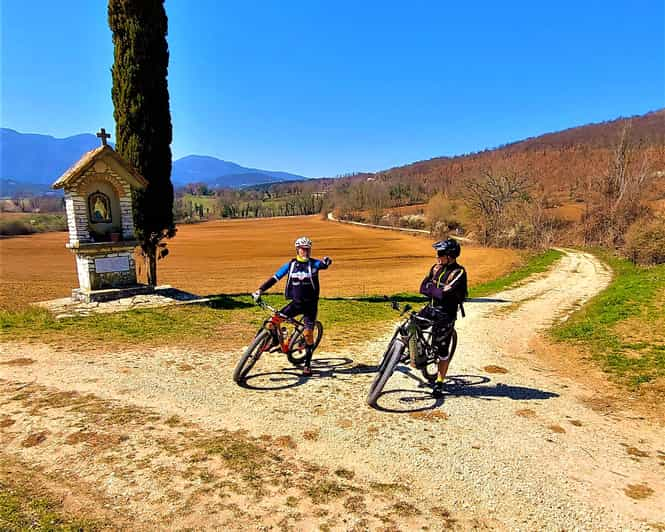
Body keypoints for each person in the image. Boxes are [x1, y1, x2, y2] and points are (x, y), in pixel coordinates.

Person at [252, 236, 332, 376]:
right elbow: (274, 278)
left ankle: (307, 364)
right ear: (297, 249)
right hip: (295, 304)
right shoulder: (290, 265)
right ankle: (275, 340)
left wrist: (326, 262)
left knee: (308, 334)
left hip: (310, 306)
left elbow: (323, 265)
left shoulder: (314, 264)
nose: (305, 251)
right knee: (271, 323)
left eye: (307, 249)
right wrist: (260, 290)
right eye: (302, 249)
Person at [418, 238, 467, 395]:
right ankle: (414, 354)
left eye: (440, 253)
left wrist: (433, 289)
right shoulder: (435, 268)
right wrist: (436, 290)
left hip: (446, 314)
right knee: (411, 327)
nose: (437, 256)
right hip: (431, 308)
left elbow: (445, 293)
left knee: (442, 350)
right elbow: (423, 287)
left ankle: (439, 381)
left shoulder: (459, 272)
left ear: (450, 256)